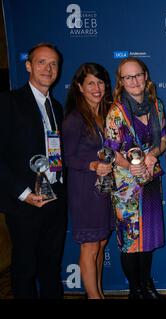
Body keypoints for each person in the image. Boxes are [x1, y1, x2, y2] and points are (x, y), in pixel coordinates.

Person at [0, 43, 67, 298]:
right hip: (25, 203)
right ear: (28, 65)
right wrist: (23, 193)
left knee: (51, 268)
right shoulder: (8, 102)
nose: (48, 68)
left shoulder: (57, 107)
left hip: (55, 200)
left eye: (53, 64)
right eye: (41, 62)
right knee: (25, 270)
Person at [104, 57, 166, 299]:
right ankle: (135, 291)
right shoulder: (117, 111)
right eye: (127, 77)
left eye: (138, 75)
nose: (134, 81)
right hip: (127, 189)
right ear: (121, 82)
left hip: (149, 182)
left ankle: (147, 287)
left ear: (146, 76)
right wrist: (131, 165)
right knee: (131, 242)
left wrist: (153, 154)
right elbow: (110, 151)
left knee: (147, 237)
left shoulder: (156, 105)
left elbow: (163, 138)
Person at [62, 63, 114, 299]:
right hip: (84, 190)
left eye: (100, 82)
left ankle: (98, 293)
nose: (96, 88)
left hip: (103, 189)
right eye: (90, 83)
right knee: (90, 245)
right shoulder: (74, 119)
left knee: (101, 243)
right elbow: (66, 157)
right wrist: (92, 164)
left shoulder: (105, 114)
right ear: (80, 87)